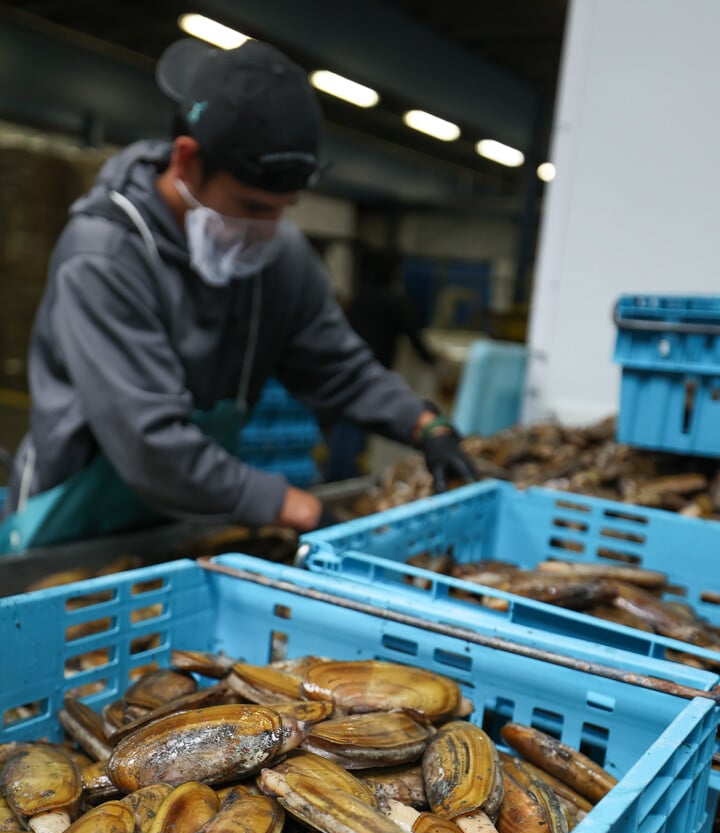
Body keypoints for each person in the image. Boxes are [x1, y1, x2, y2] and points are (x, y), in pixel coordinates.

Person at [1, 37, 476, 551]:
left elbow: (337, 368)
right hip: (72, 525)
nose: (268, 228)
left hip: (190, 515)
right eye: (251, 206)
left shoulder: (280, 254)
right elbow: (149, 444)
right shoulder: (104, 258)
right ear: (186, 162)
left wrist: (424, 424)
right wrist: (292, 505)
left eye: (283, 208)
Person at [324, 247, 442, 482]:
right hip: (372, 376)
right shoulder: (396, 302)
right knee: (354, 430)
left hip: (348, 374)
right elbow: (416, 339)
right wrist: (436, 362)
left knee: (346, 427)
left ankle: (338, 474)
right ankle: (343, 476)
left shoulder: (360, 298)